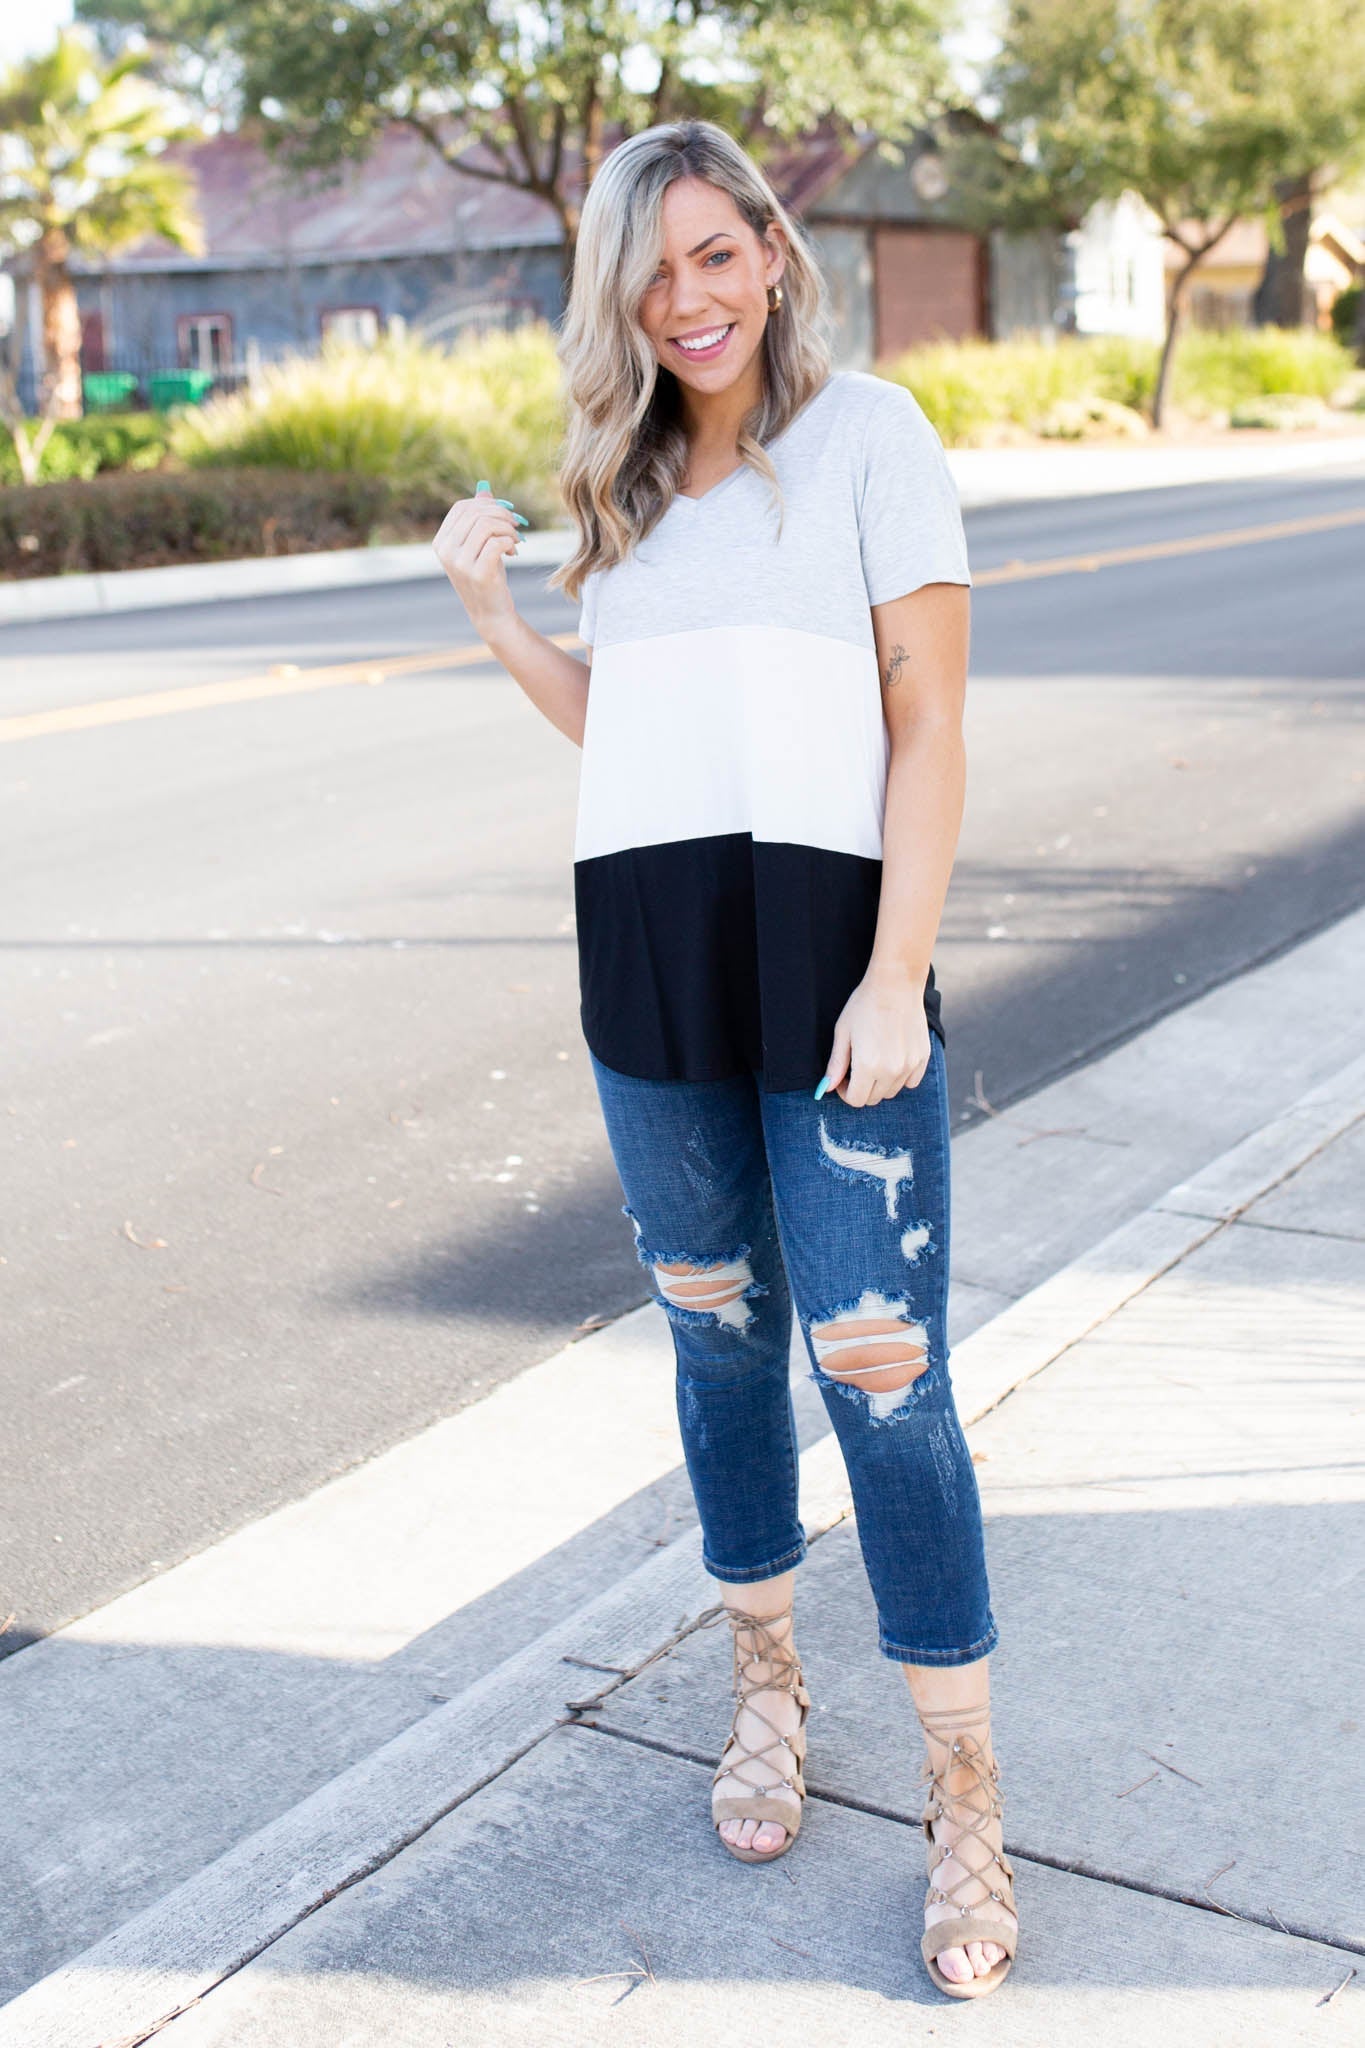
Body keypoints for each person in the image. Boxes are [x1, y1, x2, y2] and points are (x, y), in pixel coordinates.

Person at [432, 117, 1016, 2002]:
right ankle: (764, 1686)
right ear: (617, 296)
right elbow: (631, 737)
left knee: (879, 1366)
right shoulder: (616, 480)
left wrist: (892, 974)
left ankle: (962, 1786)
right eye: (647, 270)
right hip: (653, 981)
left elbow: (922, 725)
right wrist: (504, 622)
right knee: (712, 1335)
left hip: (832, 975)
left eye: (712, 253)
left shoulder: (871, 440)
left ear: (771, 250)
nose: (685, 299)